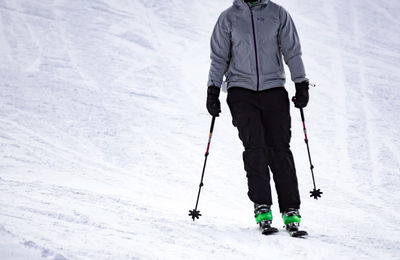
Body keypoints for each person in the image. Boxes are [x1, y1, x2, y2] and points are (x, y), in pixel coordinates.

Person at [206, 0, 309, 232]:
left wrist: (301, 83)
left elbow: (292, 51)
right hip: (241, 91)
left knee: (279, 148)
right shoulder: (228, 18)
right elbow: (219, 58)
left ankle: (291, 209)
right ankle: (262, 205)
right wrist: (213, 90)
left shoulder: (278, 14)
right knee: (255, 147)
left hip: (274, 90)